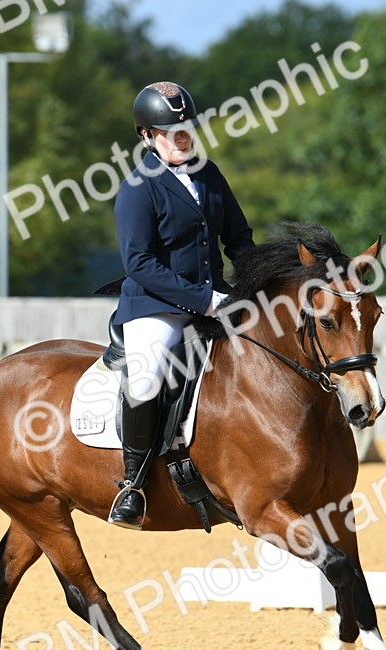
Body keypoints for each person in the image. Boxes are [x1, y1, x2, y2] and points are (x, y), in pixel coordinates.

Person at [105, 81, 255, 530]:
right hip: (155, 307)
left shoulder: (209, 174)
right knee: (148, 379)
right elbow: (140, 264)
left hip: (215, 301)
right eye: (172, 130)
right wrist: (205, 299)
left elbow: (240, 240)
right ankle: (132, 486)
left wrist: (258, 286)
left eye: (187, 127)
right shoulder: (137, 188)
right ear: (147, 135)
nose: (183, 136)